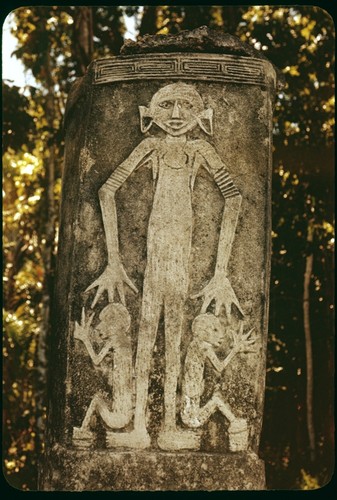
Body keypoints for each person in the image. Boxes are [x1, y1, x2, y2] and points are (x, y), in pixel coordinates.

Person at [86, 83, 243, 450]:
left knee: (174, 343)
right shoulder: (150, 146)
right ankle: (139, 425)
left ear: (199, 114)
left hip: (181, 263)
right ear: (151, 113)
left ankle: (171, 425)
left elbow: (233, 198)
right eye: (167, 106)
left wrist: (221, 272)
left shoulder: (200, 149)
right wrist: (113, 262)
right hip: (155, 261)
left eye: (185, 106)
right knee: (144, 341)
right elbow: (107, 190)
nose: (175, 115)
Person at [181, 313, 255, 451]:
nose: (220, 334)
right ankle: (234, 422)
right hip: (192, 412)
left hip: (192, 396)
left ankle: (234, 422)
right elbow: (219, 367)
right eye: (214, 330)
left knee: (215, 400)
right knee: (215, 401)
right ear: (202, 332)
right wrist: (234, 350)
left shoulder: (194, 345)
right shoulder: (204, 346)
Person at [72, 303, 133, 446]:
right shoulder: (126, 342)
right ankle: (83, 430)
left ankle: (83, 429)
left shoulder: (114, 340)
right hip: (126, 412)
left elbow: (96, 360)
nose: (101, 327)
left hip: (117, 419)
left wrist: (85, 339)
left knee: (96, 400)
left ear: (115, 324)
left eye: (106, 322)